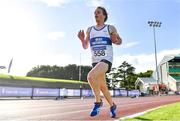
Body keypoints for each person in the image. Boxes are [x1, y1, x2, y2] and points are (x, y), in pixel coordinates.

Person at [77, 6, 122, 118]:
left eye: (98, 12)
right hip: (95, 61)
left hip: (106, 59)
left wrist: (116, 39)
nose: (96, 14)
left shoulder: (110, 28)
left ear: (104, 15)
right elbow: (85, 46)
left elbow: (119, 41)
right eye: (94, 13)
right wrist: (82, 40)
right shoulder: (90, 29)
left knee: (90, 77)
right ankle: (112, 106)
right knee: (103, 87)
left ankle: (98, 102)